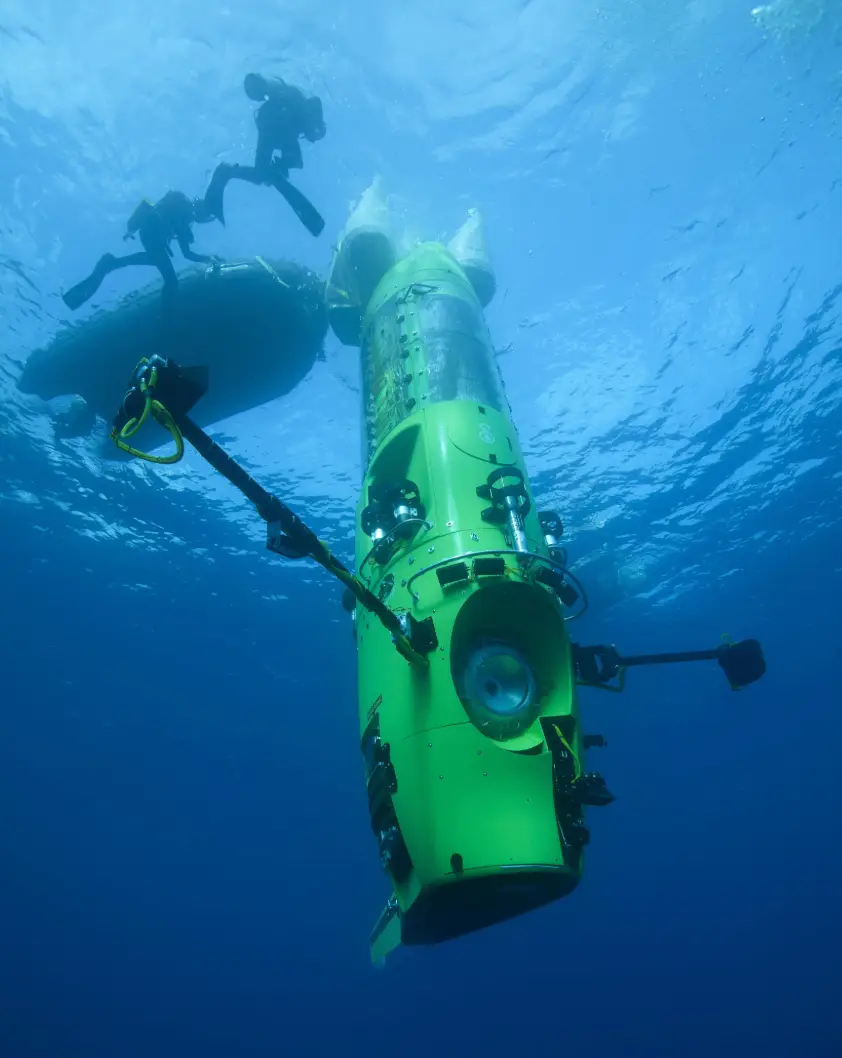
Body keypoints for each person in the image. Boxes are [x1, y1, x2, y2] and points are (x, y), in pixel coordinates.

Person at [199, 73, 326, 237]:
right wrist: (281, 164)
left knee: (262, 174)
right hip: (275, 125)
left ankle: (228, 171)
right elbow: (311, 106)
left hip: (270, 125)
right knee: (287, 163)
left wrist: (278, 166)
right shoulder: (302, 107)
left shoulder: (295, 104)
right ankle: (230, 171)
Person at [62, 190, 221, 311]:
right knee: (171, 279)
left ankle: (112, 262)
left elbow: (181, 246)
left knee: (156, 259)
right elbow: (187, 254)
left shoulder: (181, 209)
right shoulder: (185, 215)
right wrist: (209, 258)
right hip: (153, 234)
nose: (206, 219)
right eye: (207, 216)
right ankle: (167, 316)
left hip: (149, 232)